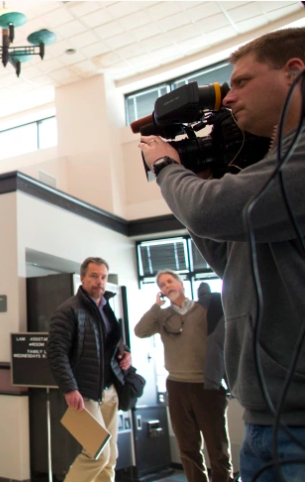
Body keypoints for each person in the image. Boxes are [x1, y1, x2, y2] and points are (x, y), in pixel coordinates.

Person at [138, 28, 305, 481]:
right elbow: (228, 256)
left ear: (293, 72)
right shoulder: (277, 160)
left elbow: (211, 210)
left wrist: (166, 165)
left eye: (242, 82)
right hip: (265, 417)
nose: (228, 98)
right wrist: (204, 175)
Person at [134, 271, 232, 482]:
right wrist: (156, 306)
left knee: (218, 447)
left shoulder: (203, 309)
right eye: (162, 284)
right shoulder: (161, 316)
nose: (166, 285)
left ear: (180, 283)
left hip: (207, 385)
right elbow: (140, 331)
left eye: (170, 281)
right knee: (188, 448)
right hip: (177, 385)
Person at [47, 257, 132, 482]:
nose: (99, 281)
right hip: (85, 393)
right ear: (82, 277)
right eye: (94, 276)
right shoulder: (68, 310)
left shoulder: (106, 307)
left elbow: (112, 343)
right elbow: (56, 353)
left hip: (110, 390)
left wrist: (125, 354)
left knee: (111, 455)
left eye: (103, 277)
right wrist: (69, 388)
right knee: (98, 454)